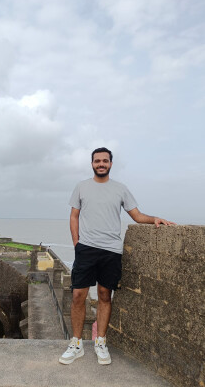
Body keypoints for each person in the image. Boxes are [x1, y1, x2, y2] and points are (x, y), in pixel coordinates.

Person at [59, 147, 175, 365]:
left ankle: (100, 341)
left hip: (111, 250)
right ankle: (76, 344)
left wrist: (155, 219)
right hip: (86, 248)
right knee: (78, 296)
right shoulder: (81, 187)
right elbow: (74, 216)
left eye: (105, 161)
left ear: (111, 164)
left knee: (104, 295)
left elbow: (137, 215)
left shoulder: (120, 189)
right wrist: (77, 243)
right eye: (97, 161)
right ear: (92, 163)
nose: (101, 164)